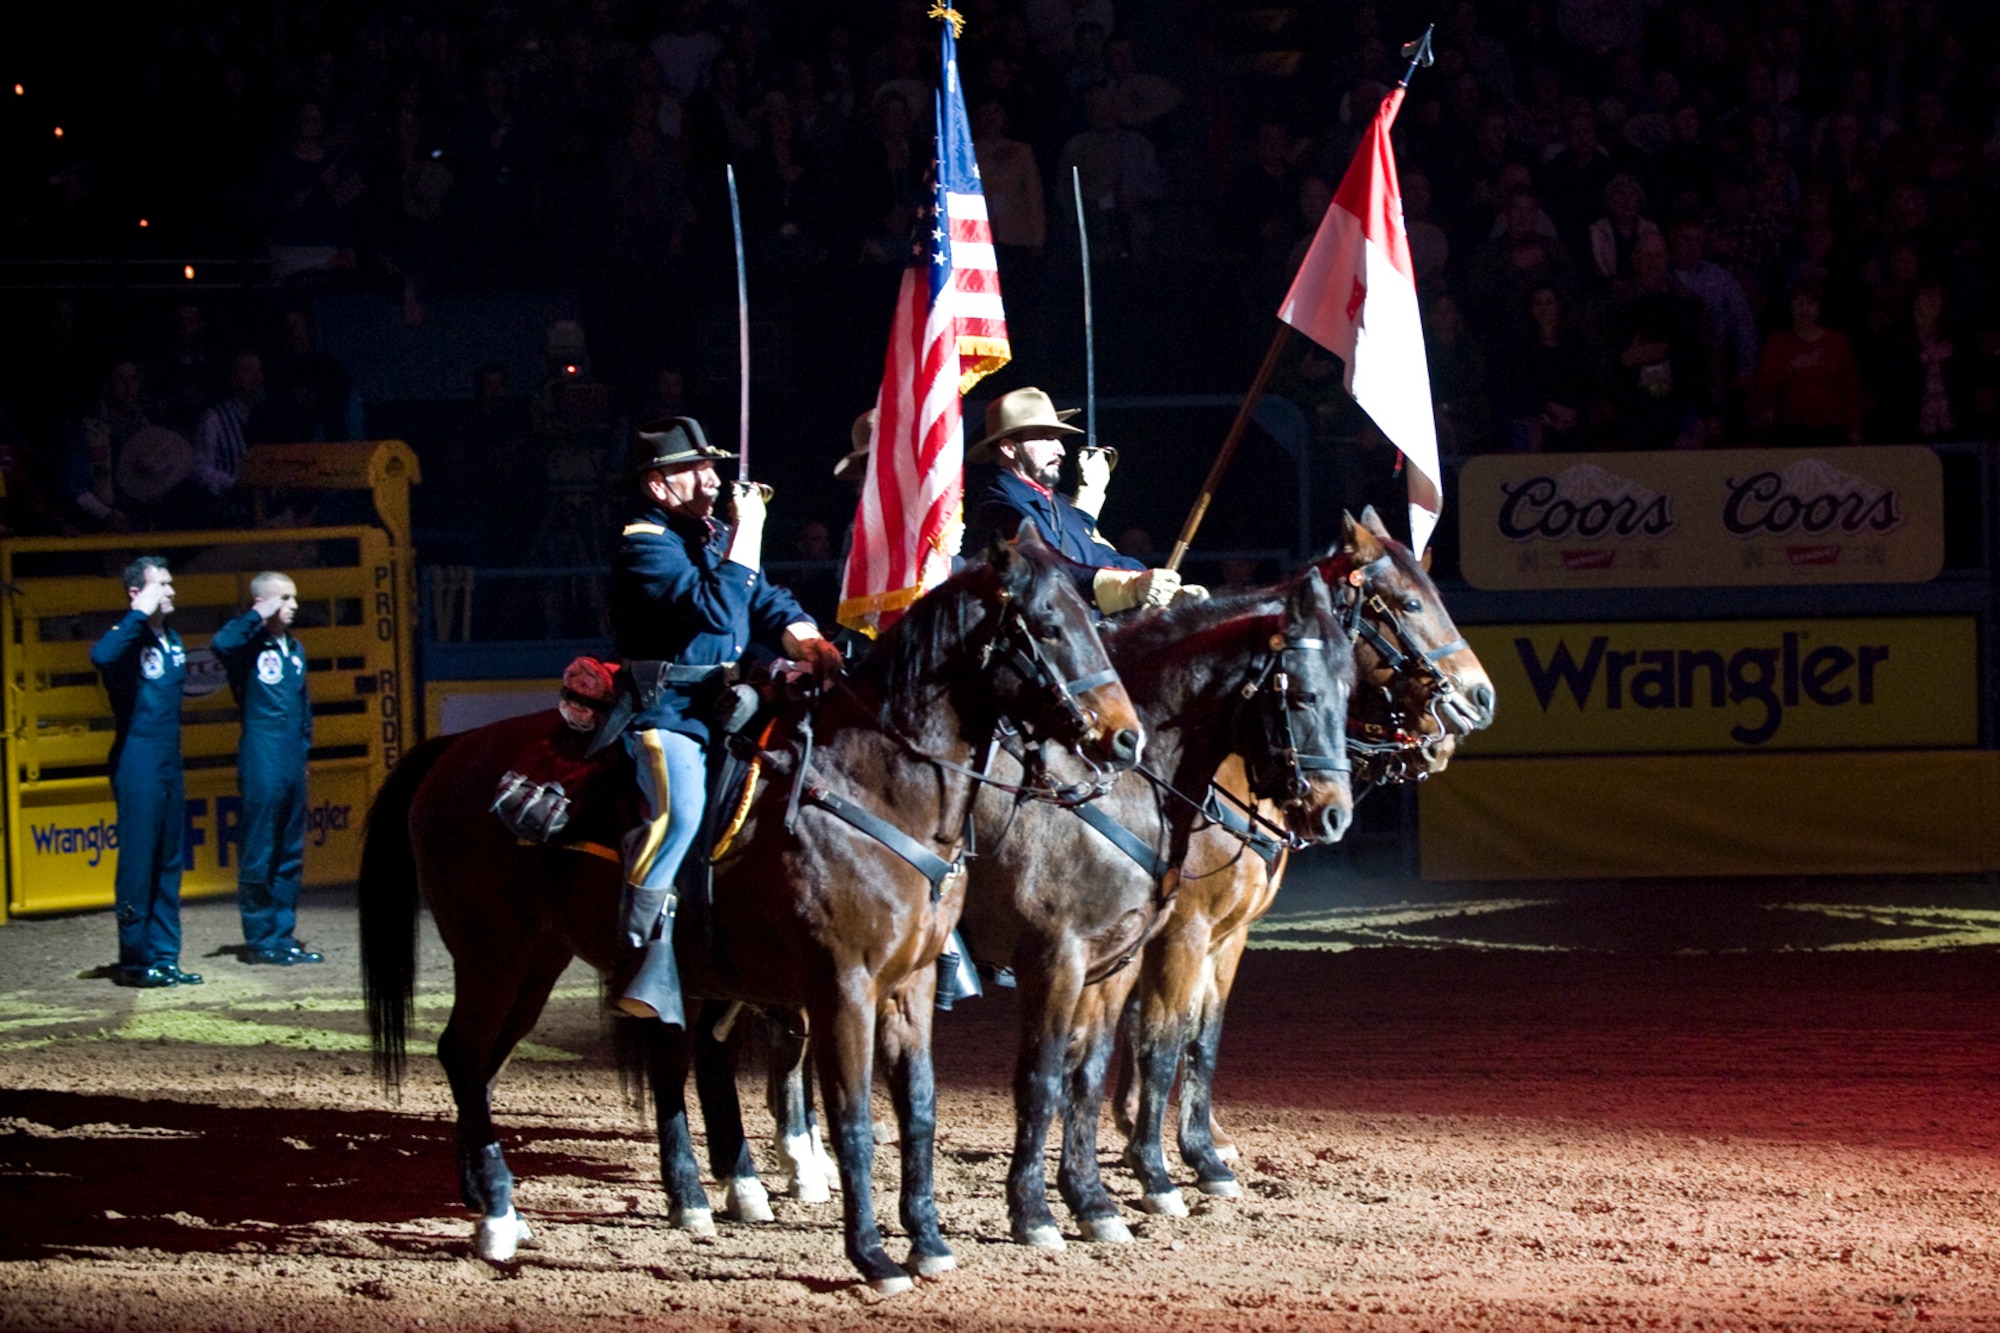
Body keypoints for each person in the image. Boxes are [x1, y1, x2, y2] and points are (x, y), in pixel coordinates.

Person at [608, 417, 841, 1024]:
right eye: (696, 469)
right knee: (678, 813)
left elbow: (763, 598)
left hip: (729, 703)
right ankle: (639, 953)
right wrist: (749, 530)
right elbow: (715, 610)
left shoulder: (711, 535)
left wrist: (809, 640)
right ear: (659, 486)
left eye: (712, 466)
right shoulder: (645, 541)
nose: (713, 479)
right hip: (669, 712)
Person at [969, 387, 1198, 614]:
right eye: (1047, 439)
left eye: (1057, 439)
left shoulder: (1059, 503)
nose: (1060, 450)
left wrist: (1158, 585)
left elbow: (1100, 555)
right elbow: (1049, 568)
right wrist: (1129, 587)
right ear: (1010, 448)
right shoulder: (999, 506)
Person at [90, 557, 199, 989]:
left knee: (169, 862)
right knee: (138, 862)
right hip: (137, 762)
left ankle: (165, 956)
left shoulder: (171, 639)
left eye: (171, 584)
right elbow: (101, 655)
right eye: (162, 586)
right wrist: (136, 614)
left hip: (169, 762)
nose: (171, 592)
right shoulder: (128, 638)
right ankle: (135, 960)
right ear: (136, 593)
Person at [211, 572, 321, 966]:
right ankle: (260, 938)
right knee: (261, 846)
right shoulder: (247, 645)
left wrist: (304, 754)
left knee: (290, 849)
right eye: (284, 598)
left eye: (293, 598)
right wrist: (258, 614)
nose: (292, 606)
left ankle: (282, 934)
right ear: (264, 603)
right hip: (262, 749)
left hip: (291, 752)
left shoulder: (295, 648)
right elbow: (220, 643)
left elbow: (304, 707)